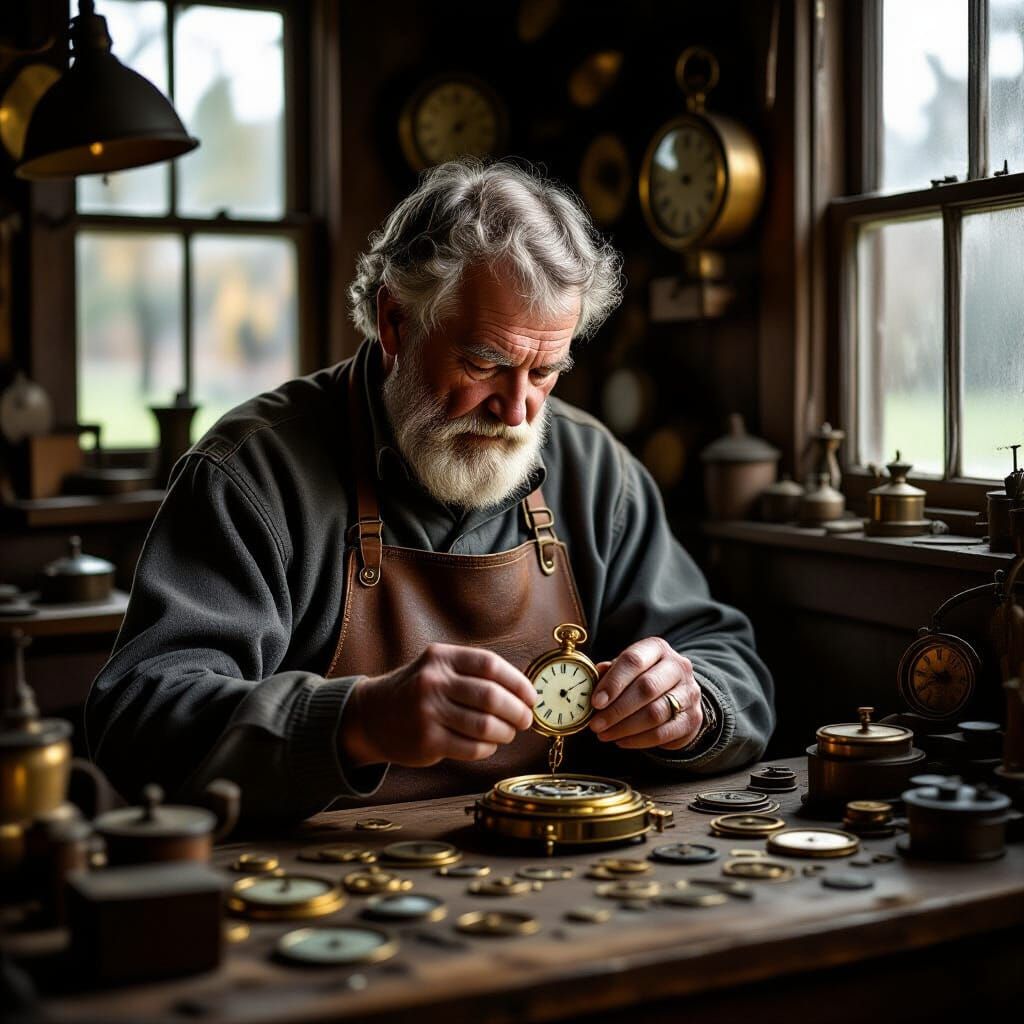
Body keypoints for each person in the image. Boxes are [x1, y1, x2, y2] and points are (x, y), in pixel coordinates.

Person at [86, 159, 774, 820]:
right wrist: (354, 721)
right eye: (486, 362)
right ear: (395, 322)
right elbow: (139, 721)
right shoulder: (252, 474)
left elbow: (730, 663)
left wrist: (691, 704)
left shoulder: (596, 470)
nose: (517, 411)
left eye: (545, 373)